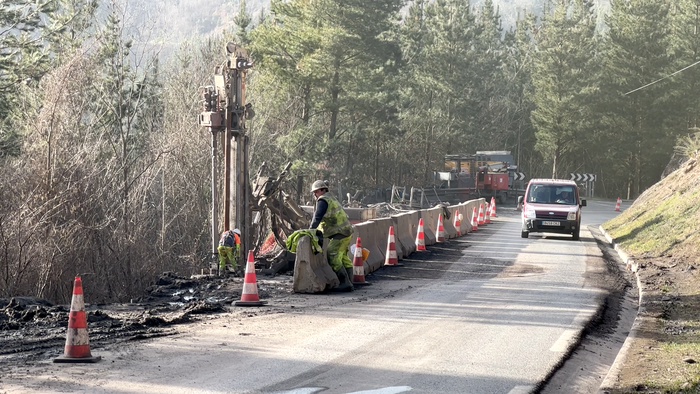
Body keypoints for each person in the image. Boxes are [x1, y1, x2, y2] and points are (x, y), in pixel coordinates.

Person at [309, 180, 354, 292]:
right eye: (314, 192)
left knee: (332, 255)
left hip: (340, 233)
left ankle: (345, 283)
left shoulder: (323, 200)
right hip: (346, 231)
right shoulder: (331, 198)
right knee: (343, 257)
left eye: (316, 191)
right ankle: (350, 282)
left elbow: (317, 217)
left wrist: (310, 231)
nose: (315, 194)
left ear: (323, 190)